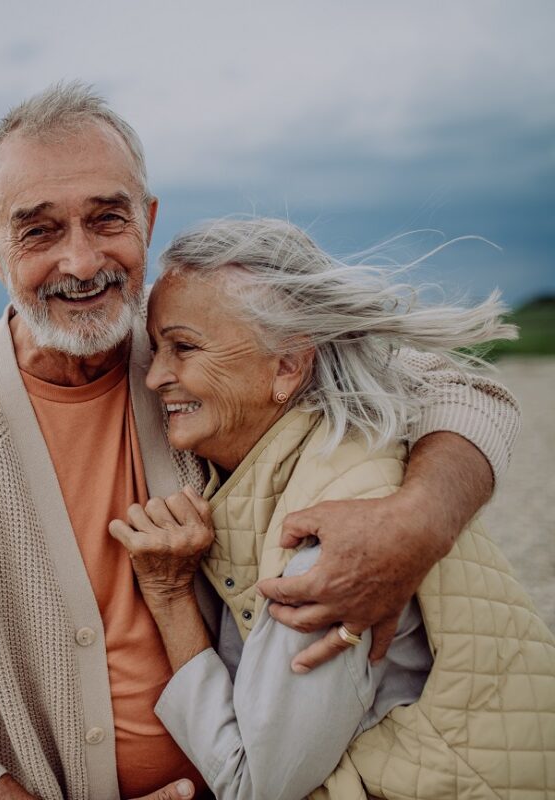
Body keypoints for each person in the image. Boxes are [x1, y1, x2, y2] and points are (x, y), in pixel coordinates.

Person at [0, 83, 521, 800]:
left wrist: (416, 525)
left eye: (107, 218)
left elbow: (467, 391)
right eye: (38, 231)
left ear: (148, 222)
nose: (81, 260)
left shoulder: (205, 361)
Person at [109, 217, 555, 799]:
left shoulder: (330, 547)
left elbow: (255, 787)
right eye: (157, 348)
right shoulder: (311, 449)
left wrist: (169, 599)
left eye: (184, 348)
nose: (156, 377)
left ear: (289, 367)